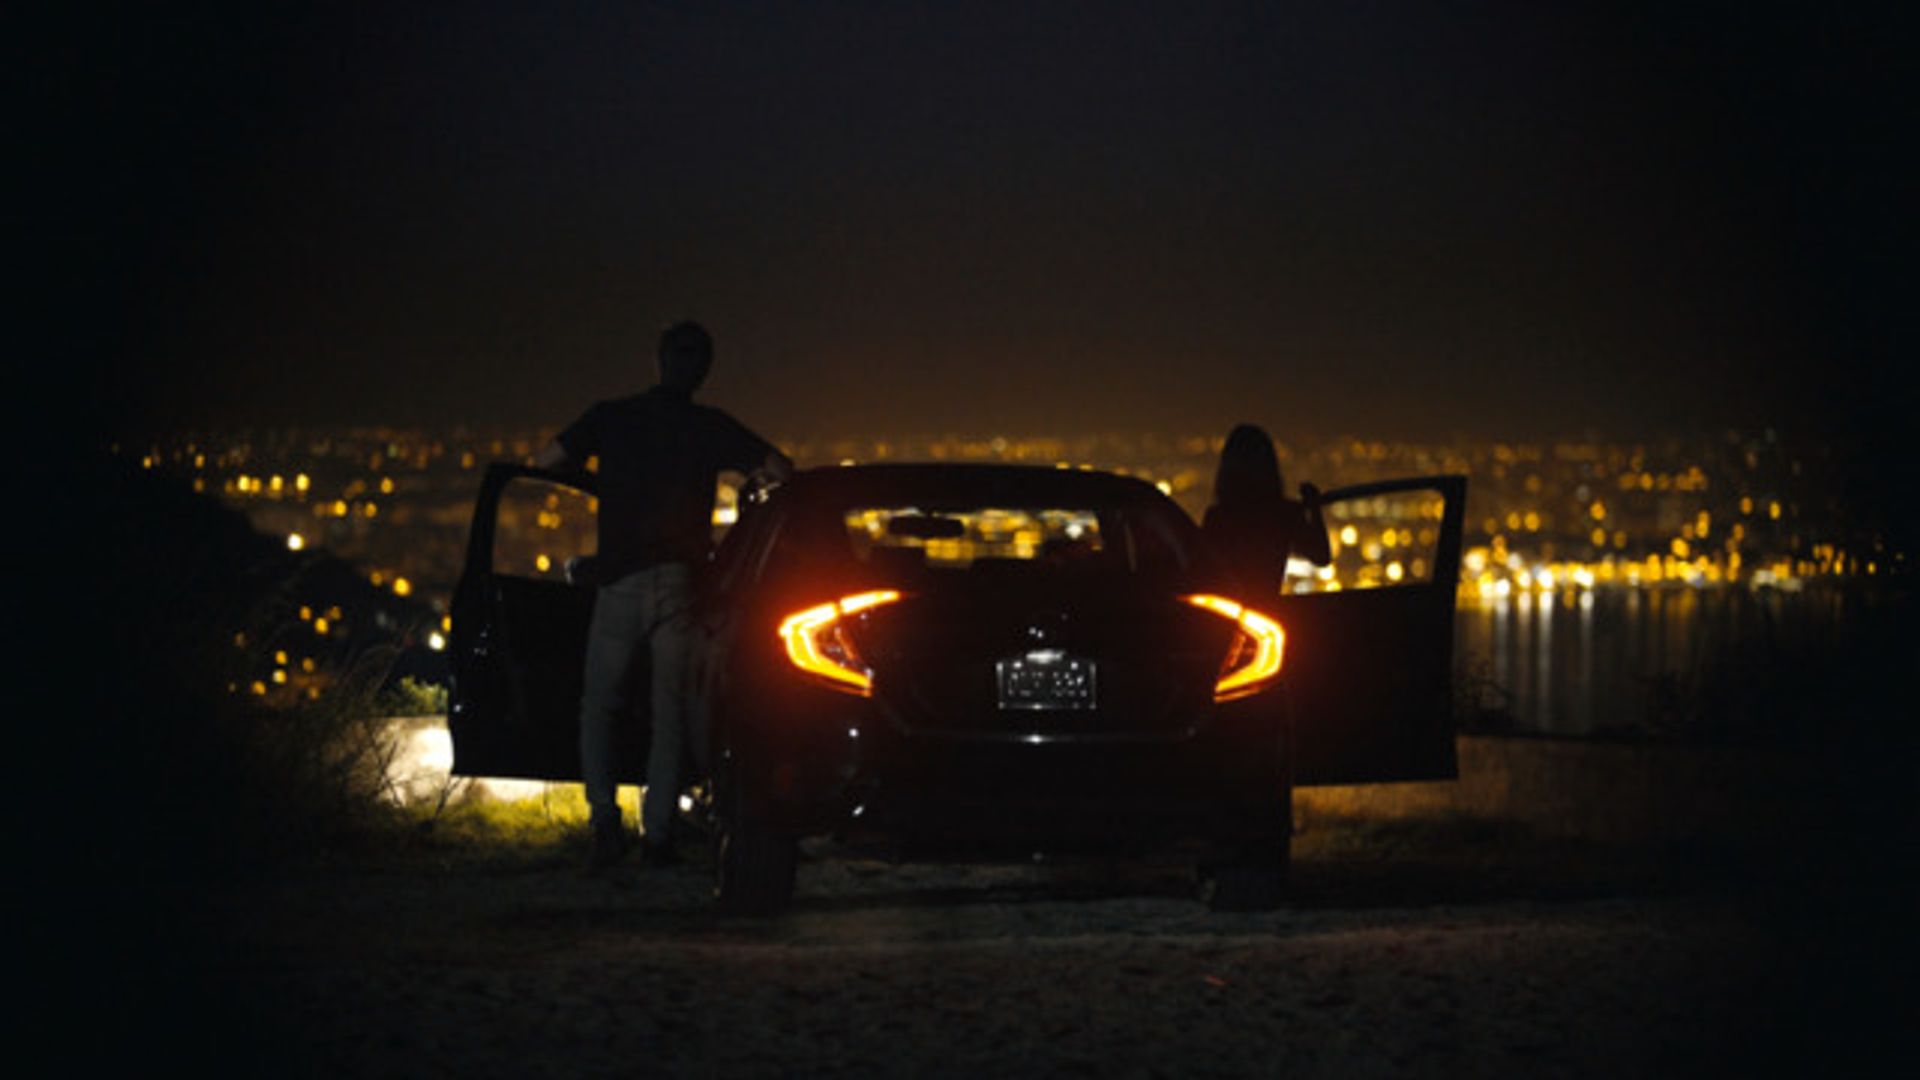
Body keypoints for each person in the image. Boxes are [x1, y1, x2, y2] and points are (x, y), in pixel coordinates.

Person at [534, 321, 792, 870]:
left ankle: (605, 824)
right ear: (704, 370)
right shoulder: (709, 426)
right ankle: (657, 835)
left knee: (599, 708)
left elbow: (547, 460)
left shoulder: (611, 417)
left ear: (657, 360)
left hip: (619, 579)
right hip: (681, 584)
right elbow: (780, 469)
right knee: (669, 713)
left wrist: (604, 484)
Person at [1200, 423, 1332, 601]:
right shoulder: (1285, 513)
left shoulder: (1217, 517)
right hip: (1267, 607)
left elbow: (1203, 569)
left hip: (1223, 611)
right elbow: (1321, 556)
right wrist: (1314, 509)